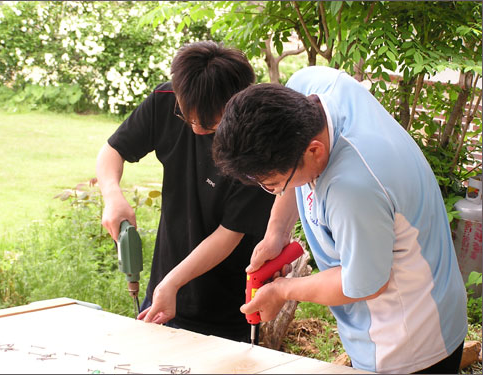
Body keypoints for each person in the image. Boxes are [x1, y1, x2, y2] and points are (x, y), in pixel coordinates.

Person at [212, 65, 468, 373]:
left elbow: (363, 283)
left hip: (409, 343)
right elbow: (292, 172)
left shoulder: (354, 187)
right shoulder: (308, 87)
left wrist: (282, 290)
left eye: (273, 184)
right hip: (386, 322)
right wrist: (276, 233)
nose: (274, 192)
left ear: (315, 151)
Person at [96, 41, 275, 343]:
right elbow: (112, 151)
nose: (194, 129)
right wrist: (112, 196)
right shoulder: (167, 99)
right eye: (186, 117)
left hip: (227, 307)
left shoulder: (258, 142)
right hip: (164, 291)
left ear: (236, 103)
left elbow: (229, 234)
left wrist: (171, 284)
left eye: (208, 122)